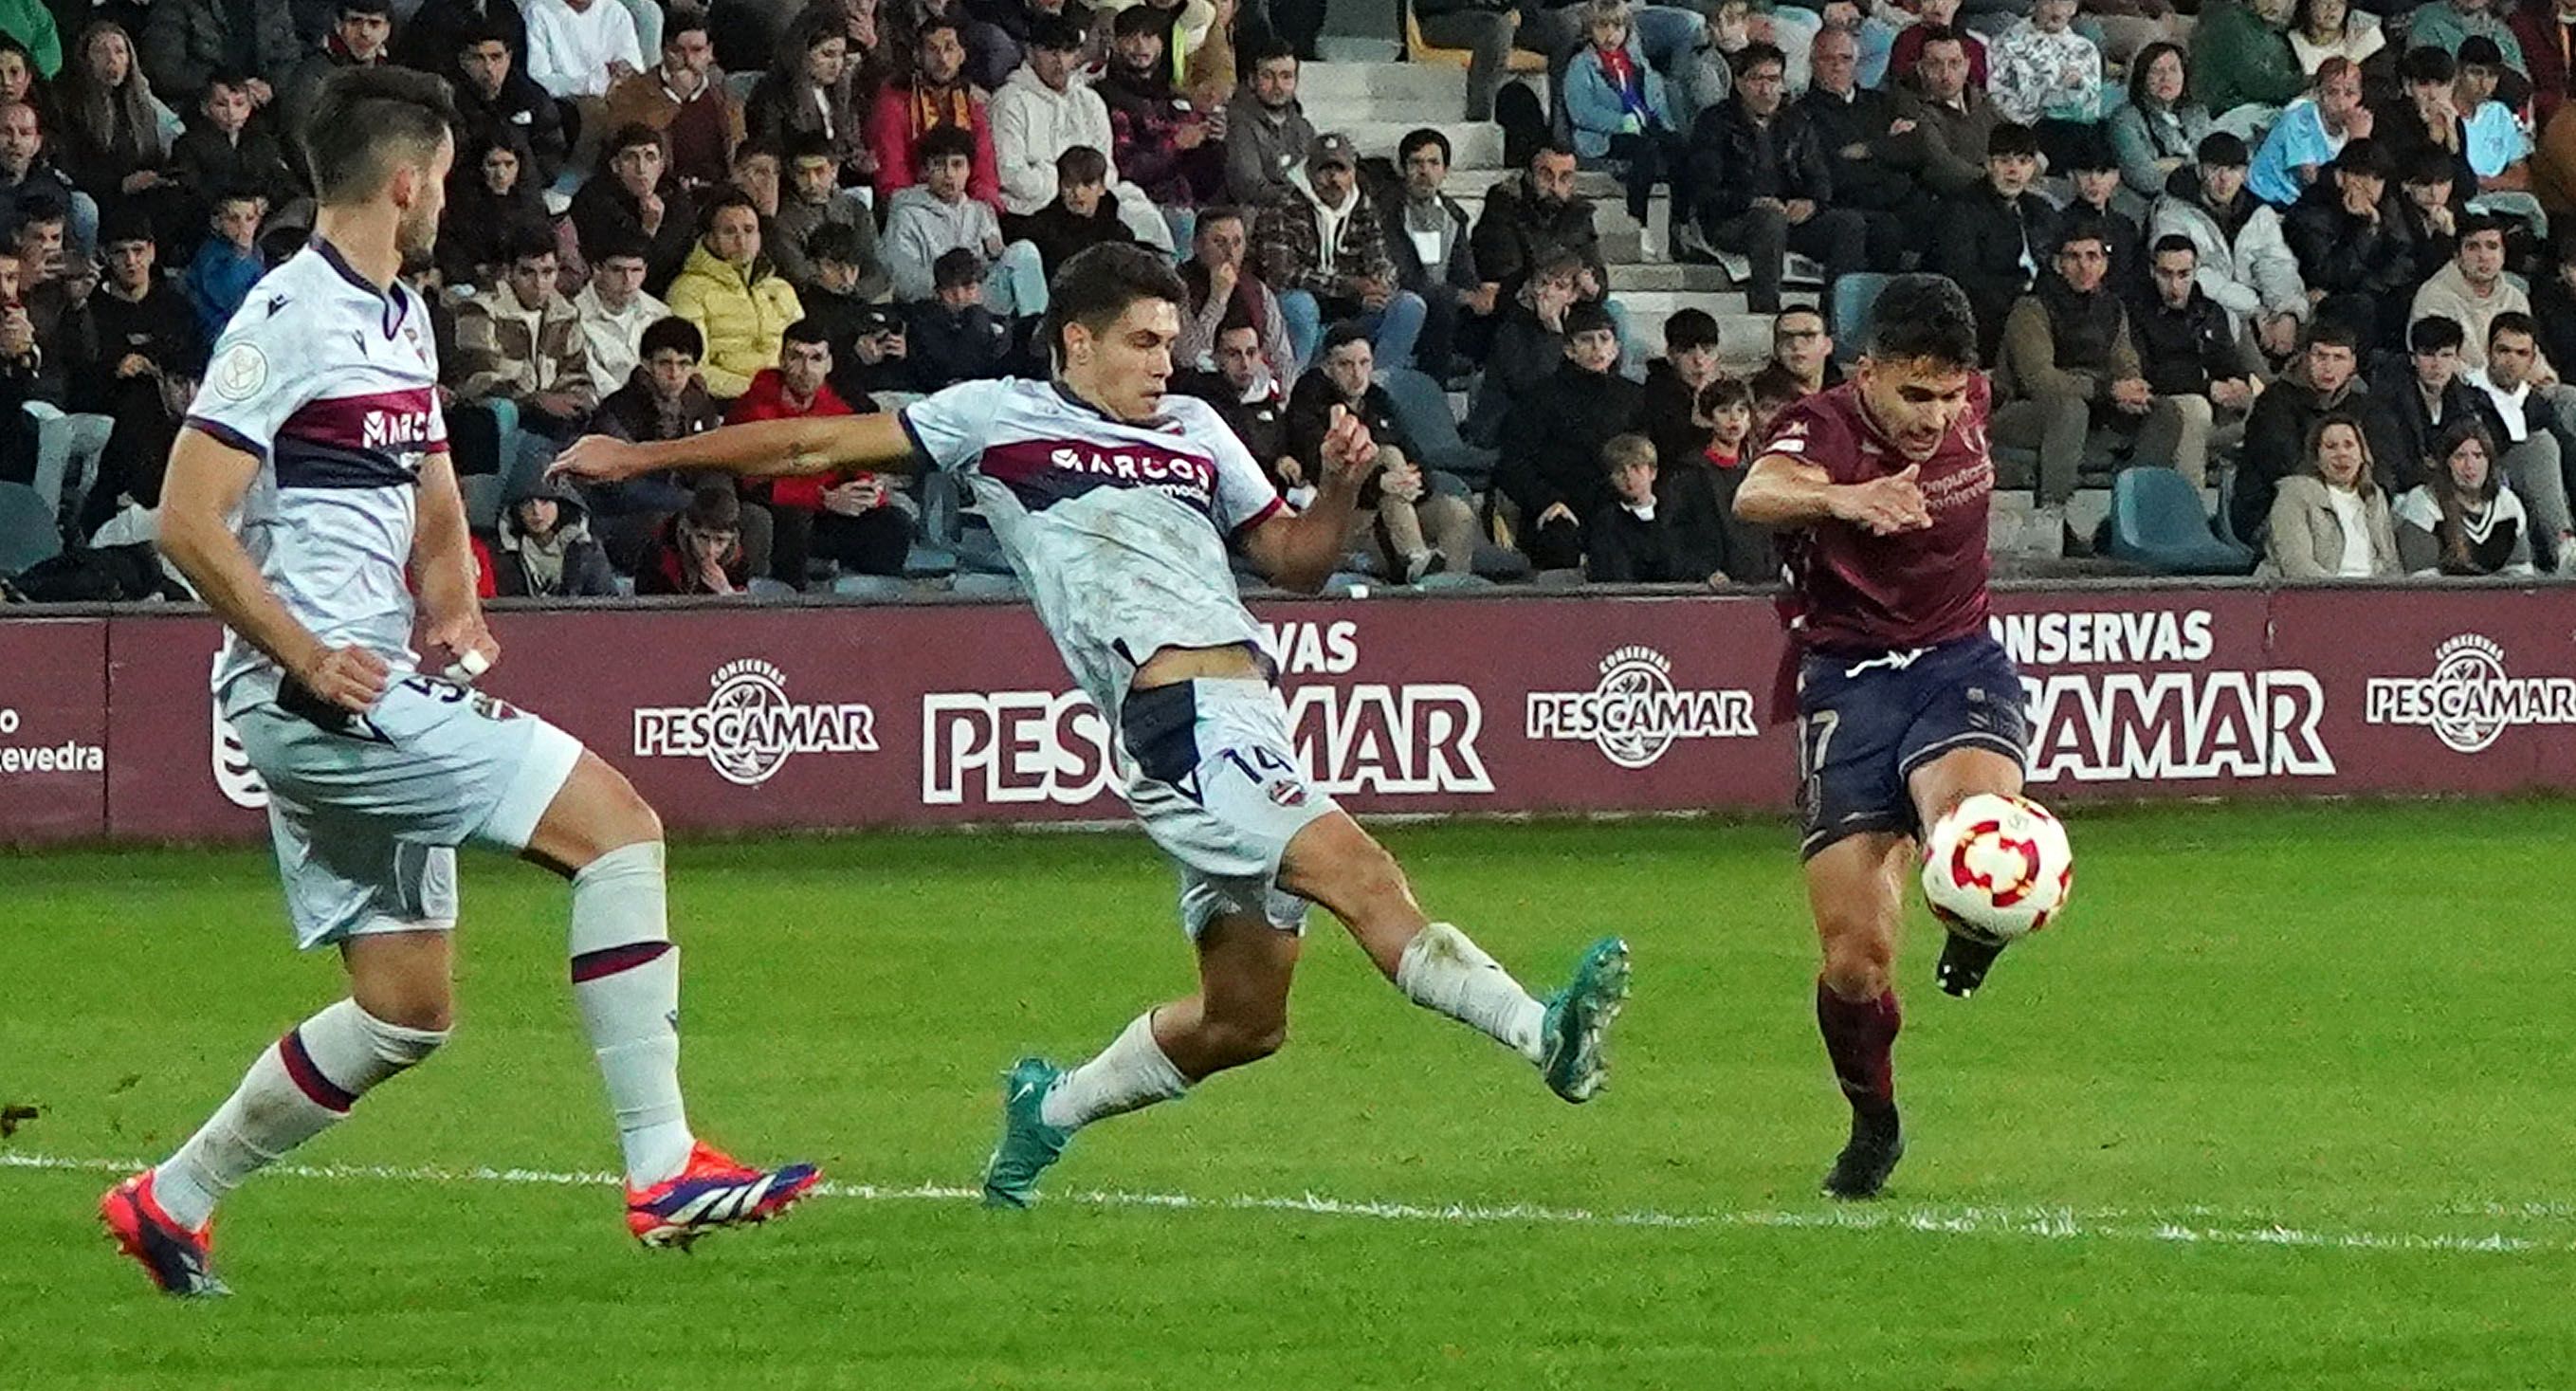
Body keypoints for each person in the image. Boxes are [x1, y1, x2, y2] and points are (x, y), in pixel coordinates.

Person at [551, 241, 1634, 1208]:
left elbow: (1296, 568)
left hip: (1250, 712)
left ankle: (1049, 1113)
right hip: (1175, 721)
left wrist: (1343, 491)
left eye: (1172, 340)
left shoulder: (1199, 429)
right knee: (1359, 873)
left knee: (1244, 1024)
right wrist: (635, 460)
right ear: (1077, 340)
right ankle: (1543, 1035)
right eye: (1144, 341)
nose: (1168, 360)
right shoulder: (995, 418)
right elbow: (807, 450)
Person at [103, 66, 817, 1300]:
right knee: (619, 829)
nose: (446, 195)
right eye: (439, 175)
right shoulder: (287, 318)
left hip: (355, 681)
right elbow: (185, 520)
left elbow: (429, 479)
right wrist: (310, 654)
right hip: (323, 693)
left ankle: (171, 1198)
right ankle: (662, 1164)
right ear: (408, 179)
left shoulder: (396, 316)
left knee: (404, 1009)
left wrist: (455, 596)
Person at [1729, 272, 2051, 1203]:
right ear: (1862, 370)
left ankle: (1977, 912)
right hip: (1847, 685)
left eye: (1949, 396)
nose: (1934, 416)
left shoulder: (1970, 404)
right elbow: (1757, 491)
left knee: (1976, 822)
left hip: (1958, 664)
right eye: (1914, 395)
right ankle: (1873, 1121)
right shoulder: (1823, 430)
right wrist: (1845, 500)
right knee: (1855, 962)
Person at [1992, 218, 2200, 504]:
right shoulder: (2031, 309)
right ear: (2057, 264)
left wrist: (2132, 389)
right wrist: (2107, 390)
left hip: (2096, 407)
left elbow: (2125, 361)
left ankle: (2132, 511)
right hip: (2024, 411)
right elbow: (2039, 381)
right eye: (2073, 257)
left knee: (2164, 412)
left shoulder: (2112, 308)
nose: (2084, 266)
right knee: (2070, 409)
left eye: (2093, 256)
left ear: (2104, 263)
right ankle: (2054, 513)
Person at [1285, 323, 1477, 580]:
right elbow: (1317, 466)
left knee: (1457, 512)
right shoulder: (1310, 399)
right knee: (1386, 454)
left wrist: (1414, 482)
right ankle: (1414, 556)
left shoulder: (1378, 400)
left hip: (1389, 518)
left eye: (1364, 363)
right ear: (1327, 368)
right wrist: (1379, 483)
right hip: (1341, 520)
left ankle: (1450, 592)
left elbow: (1417, 457)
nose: (1357, 374)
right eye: (1346, 365)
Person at [730, 317, 915, 582]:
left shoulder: (839, 408)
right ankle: (793, 603)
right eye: (796, 357)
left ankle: (875, 601)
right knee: (796, 519)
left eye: (816, 358)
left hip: (827, 511)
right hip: (780, 511)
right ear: (781, 360)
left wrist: (865, 491)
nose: (806, 369)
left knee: (894, 523)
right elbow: (754, 484)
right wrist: (825, 498)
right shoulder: (755, 407)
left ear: (829, 363)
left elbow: (858, 462)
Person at [1689, 42, 1862, 314]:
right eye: (1757, 79)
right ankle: (1766, 312)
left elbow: (1820, 179)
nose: (1766, 89)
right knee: (1769, 220)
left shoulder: (1797, 120)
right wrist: (1753, 202)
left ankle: (1835, 314)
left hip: (1787, 217)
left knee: (1849, 224)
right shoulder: (1714, 122)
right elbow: (1705, 191)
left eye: (1773, 79)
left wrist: (1811, 203)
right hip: (1734, 219)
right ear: (1739, 83)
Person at [1252, 131, 1423, 372]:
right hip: (1305, 313)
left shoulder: (1364, 207)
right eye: (1325, 170)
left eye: (1341, 170)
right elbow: (1281, 276)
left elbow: (1380, 257)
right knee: (1299, 304)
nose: (1333, 178)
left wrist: (1380, 284)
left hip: (1353, 311)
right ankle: (1291, 387)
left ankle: (1376, 385)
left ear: (1352, 173)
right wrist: (1351, 286)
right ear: (1309, 172)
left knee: (1409, 305)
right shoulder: (1282, 207)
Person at [1498, 301, 1640, 569]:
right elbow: (1513, 464)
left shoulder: (1635, 397)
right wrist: (1547, 502)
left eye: (1604, 339)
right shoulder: (1539, 398)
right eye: (1586, 340)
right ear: (1569, 349)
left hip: (1620, 506)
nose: (1597, 348)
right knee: (1559, 540)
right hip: (1559, 511)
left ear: (1616, 348)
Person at [2151, 132, 2307, 359]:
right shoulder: (2172, 213)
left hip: (2262, 310)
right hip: (2203, 312)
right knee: (2234, 326)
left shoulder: (2258, 213)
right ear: (2200, 170)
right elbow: (2192, 274)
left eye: (2233, 170)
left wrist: (2286, 313)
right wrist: (2253, 308)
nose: (2224, 180)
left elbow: (2276, 263)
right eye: (2215, 169)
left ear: (2244, 174)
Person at [1798, 24, 1929, 275]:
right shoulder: (1801, 114)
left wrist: (1869, 149)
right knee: (1885, 228)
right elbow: (1833, 171)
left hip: (1897, 198)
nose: (1837, 66)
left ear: (1856, 63)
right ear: (1813, 62)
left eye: (1845, 58)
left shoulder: (1881, 103)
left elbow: (1912, 152)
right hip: (1846, 205)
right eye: (1828, 59)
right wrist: (1886, 148)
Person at [882, 124, 1048, 318]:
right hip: (936, 306)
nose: (949, 174)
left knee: (1024, 251)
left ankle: (1037, 331)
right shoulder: (906, 214)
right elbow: (903, 280)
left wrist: (996, 255)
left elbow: (991, 270)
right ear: (926, 171)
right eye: (939, 165)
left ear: (969, 169)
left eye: (957, 165)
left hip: (979, 301)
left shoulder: (980, 211)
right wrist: (952, 286)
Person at [1929, 120, 2055, 364]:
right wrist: (2021, 293)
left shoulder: (2041, 209)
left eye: (2023, 161)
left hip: (2037, 312)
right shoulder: (1961, 209)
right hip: (1984, 317)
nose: (2014, 170)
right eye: (2005, 161)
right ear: (1989, 164)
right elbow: (1962, 278)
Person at [451, 229, 600, 435]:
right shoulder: (480, 309)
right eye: (527, 272)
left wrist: (580, 399)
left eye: (547, 273)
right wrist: (536, 400)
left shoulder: (565, 314)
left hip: (553, 417)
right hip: (495, 418)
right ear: (509, 272)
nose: (539, 284)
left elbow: (576, 373)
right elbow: (477, 379)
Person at [2232, 317, 2366, 540]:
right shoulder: (2273, 401)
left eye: (2338, 358)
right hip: (2271, 509)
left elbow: (2381, 462)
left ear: (2352, 363)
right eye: (2320, 356)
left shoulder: (2361, 405)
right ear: (2304, 358)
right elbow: (2288, 468)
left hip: (2343, 505)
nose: (2329, 367)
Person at [1567, 0, 1688, 246]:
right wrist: (1621, 122)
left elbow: (1657, 101)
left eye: (1617, 26)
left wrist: (1665, 128)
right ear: (1591, 30)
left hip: (1643, 124)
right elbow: (1582, 111)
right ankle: (1638, 221)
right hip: (1606, 134)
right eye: (1602, 26)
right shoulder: (1581, 64)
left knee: (1679, 148)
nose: (1610, 34)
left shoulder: (1638, 62)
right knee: (1645, 150)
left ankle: (1681, 223)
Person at [666, 189, 804, 398]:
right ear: (709, 238)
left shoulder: (780, 288)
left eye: (749, 230)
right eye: (729, 232)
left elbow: (809, 350)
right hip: (729, 403)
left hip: (790, 397)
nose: (741, 241)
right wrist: (758, 390)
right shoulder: (687, 291)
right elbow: (692, 369)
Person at [2464, 310, 2576, 568]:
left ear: (2533, 358)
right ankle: (2563, 545)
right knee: (2541, 445)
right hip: (2487, 478)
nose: (2511, 361)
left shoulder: (2536, 403)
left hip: (2539, 490)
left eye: (2521, 353)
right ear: (2488, 350)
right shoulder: (2466, 394)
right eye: (2503, 351)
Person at [2133, 235, 2262, 459]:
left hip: (2211, 403)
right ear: (2152, 271)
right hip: (2162, 403)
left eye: (2183, 275)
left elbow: (2227, 360)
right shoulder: (2136, 311)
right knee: (2195, 409)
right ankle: (2190, 492)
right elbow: (2148, 372)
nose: (2174, 286)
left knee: (2271, 403)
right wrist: (2207, 386)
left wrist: (2238, 383)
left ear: (2195, 271)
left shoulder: (2210, 311)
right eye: (2166, 274)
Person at [2283, 137, 2416, 351]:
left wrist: (2370, 284)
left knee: (2407, 297)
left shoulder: (2385, 204)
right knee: (2360, 306)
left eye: (2378, 178)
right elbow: (2325, 274)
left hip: (2369, 288)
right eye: (2362, 176)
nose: (2370, 186)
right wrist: (2365, 228)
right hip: (2324, 297)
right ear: (2340, 177)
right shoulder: (2313, 212)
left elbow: (2404, 259)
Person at [1379, 128, 1489, 382]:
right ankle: (1432, 387)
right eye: (1416, 163)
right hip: (1401, 302)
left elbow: (1464, 271)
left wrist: (1478, 295)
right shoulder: (1386, 211)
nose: (1424, 172)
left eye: (1433, 163)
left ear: (1445, 170)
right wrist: (1459, 295)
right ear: (1403, 169)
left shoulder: (1453, 215)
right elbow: (1400, 275)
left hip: (1445, 304)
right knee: (1442, 304)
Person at [1098, 5, 1224, 217]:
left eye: (1148, 36)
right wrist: (1175, 144)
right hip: (1138, 208)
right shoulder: (1106, 98)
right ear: (1116, 44)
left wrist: (1212, 136)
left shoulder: (1174, 97)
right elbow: (1127, 167)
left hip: (1190, 204)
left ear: (1161, 44)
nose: (1140, 45)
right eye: (1130, 37)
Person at [603, 9, 742, 193]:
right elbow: (625, 143)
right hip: (665, 194)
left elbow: (738, 150)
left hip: (718, 192)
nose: (688, 60)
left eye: (697, 50)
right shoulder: (632, 91)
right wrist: (674, 99)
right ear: (664, 50)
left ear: (710, 52)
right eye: (677, 51)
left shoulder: (724, 97)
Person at [989, 15, 1112, 225]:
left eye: (1068, 51)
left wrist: (1086, 193)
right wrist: (1064, 188)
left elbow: (1106, 165)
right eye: (1051, 52)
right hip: (1031, 211)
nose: (1060, 62)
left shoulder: (1090, 101)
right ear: (1030, 52)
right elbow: (1009, 173)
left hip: (1090, 207)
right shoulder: (1009, 100)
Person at [867, 16, 1000, 206]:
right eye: (932, 50)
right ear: (917, 55)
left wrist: (982, 211)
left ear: (962, 55)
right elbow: (893, 174)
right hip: (912, 208)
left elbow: (983, 170)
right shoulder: (894, 101)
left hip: (964, 209)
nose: (943, 59)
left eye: (950, 48)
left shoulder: (972, 105)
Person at [2260, 411, 2398, 576]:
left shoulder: (2375, 496)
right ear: (2316, 458)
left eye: (2349, 445)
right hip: (2315, 595)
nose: (2342, 454)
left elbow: (2390, 564)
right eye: (2331, 447)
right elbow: (2297, 565)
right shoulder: (2295, 492)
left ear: (2362, 454)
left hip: (2370, 595)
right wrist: (2339, 596)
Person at [2393, 416, 2534, 574]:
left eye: (2478, 455)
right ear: (2446, 462)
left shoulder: (2507, 503)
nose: (2470, 465)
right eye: (2460, 456)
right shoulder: (2423, 504)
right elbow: (2422, 579)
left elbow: (2521, 572)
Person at [573, 125, 698, 290]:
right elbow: (615, 267)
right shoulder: (594, 200)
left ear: (661, 166)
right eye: (631, 158)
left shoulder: (677, 201)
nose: (641, 168)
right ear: (615, 166)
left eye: (650, 157)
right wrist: (647, 231)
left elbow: (671, 263)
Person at [1986, 0, 2105, 170]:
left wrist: (2076, 86)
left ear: (2074, 8)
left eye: (2064, 2)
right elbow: (1999, 99)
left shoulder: (2086, 49)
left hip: (2076, 131)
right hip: (2028, 132)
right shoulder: (2007, 42)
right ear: (2036, 4)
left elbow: (2091, 109)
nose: (2057, 10)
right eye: (2049, 2)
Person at [1887, 27, 2001, 199]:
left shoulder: (1983, 102)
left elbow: (2023, 143)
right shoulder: (1912, 109)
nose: (1946, 74)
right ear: (1920, 68)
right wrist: (2003, 181)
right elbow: (1944, 166)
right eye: (1934, 64)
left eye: (1954, 63)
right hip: (1954, 200)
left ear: (1967, 65)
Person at [451, 26, 570, 191]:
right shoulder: (449, 103)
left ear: (509, 57)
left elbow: (550, 156)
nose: (489, 68)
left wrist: (520, 181)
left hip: (526, 196)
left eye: (496, 57)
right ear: (463, 61)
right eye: (478, 58)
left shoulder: (533, 99)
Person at [435, 133, 554, 290]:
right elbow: (450, 253)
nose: (501, 174)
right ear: (480, 167)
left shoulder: (532, 205)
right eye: (493, 164)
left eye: (509, 164)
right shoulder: (458, 207)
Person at [2248, 56, 2369, 210]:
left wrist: (2361, 142)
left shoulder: (2358, 123)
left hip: (2305, 201)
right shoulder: (2300, 118)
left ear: (2360, 96)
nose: (2341, 102)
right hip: (2268, 196)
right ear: (2318, 93)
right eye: (2332, 92)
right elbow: (2311, 178)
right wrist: (2357, 143)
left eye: (2350, 93)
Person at [139, 0, 297, 109]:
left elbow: (289, 57)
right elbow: (163, 72)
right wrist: (229, 88)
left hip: (263, 109)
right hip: (196, 111)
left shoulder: (271, 4)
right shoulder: (174, 5)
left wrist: (271, 87)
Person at [2109, 42, 2212, 206]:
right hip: (2149, 204)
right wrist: (2194, 170)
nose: (2166, 78)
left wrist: (2174, 164)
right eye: (2156, 71)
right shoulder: (2125, 118)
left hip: (2203, 201)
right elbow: (2143, 178)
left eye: (2173, 70)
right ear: (2143, 77)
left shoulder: (2197, 113)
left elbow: (2212, 163)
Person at [1018, 145, 1141, 279]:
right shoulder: (1038, 231)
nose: (1077, 193)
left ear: (1102, 188)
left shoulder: (1121, 237)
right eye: (1069, 184)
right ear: (1059, 186)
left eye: (1088, 184)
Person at [0, 100, 100, 262]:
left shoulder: (51, 183)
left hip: (46, 270)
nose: (15, 141)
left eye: (25, 133)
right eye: (6, 132)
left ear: (37, 143)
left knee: (83, 207)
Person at [491, 473, 620, 595]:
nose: (536, 511)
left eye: (545, 502)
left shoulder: (587, 550)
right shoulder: (505, 556)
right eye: (527, 504)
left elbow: (606, 607)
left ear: (560, 505)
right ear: (515, 511)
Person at [1584, 431, 1689, 580]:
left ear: (1652, 472)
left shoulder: (1676, 516)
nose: (1628, 477)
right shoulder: (1607, 523)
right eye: (1620, 471)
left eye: (1636, 468)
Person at [1223, 37, 1312, 207]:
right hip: (1256, 219)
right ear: (1252, 80)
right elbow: (1248, 186)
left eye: (1286, 76)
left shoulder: (1304, 128)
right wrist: (1295, 200)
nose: (1278, 85)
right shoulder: (1238, 123)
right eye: (1268, 76)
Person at [573, 238, 670, 393]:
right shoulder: (574, 317)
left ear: (645, 270)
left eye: (636, 270)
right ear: (597, 270)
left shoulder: (660, 314)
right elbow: (595, 383)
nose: (628, 280)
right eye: (617, 270)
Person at [2190, 0, 2303, 131]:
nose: (2275, 3)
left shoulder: (2273, 33)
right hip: (2227, 118)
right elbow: (2256, 83)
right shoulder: (2227, 18)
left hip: (2260, 113)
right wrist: (2305, 85)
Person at [908, 244, 1014, 386]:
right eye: (950, 291)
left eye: (969, 288)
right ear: (938, 292)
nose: (960, 297)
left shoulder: (998, 324)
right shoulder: (925, 320)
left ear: (980, 287)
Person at [635, 476, 754, 592]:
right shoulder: (658, 555)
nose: (710, 549)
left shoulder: (737, 561)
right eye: (702, 537)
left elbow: (745, 603)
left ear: (732, 539)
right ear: (688, 531)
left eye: (720, 541)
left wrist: (726, 591)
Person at [1640, 306, 1725, 468]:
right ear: (1671, 355)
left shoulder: (1728, 392)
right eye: (1687, 352)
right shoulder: (1653, 397)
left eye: (1707, 351)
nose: (1699, 361)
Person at [180, 189, 264, 342]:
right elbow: (228, 300)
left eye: (249, 218)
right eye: (233, 219)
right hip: (217, 333)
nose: (243, 226)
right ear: (217, 222)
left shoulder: (257, 252)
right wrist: (241, 255)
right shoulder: (210, 256)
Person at [2288, 0, 2382, 75]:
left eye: (2340, 1)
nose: (2333, 7)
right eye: (2324, 1)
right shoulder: (2291, 43)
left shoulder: (2365, 38)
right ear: (2307, 5)